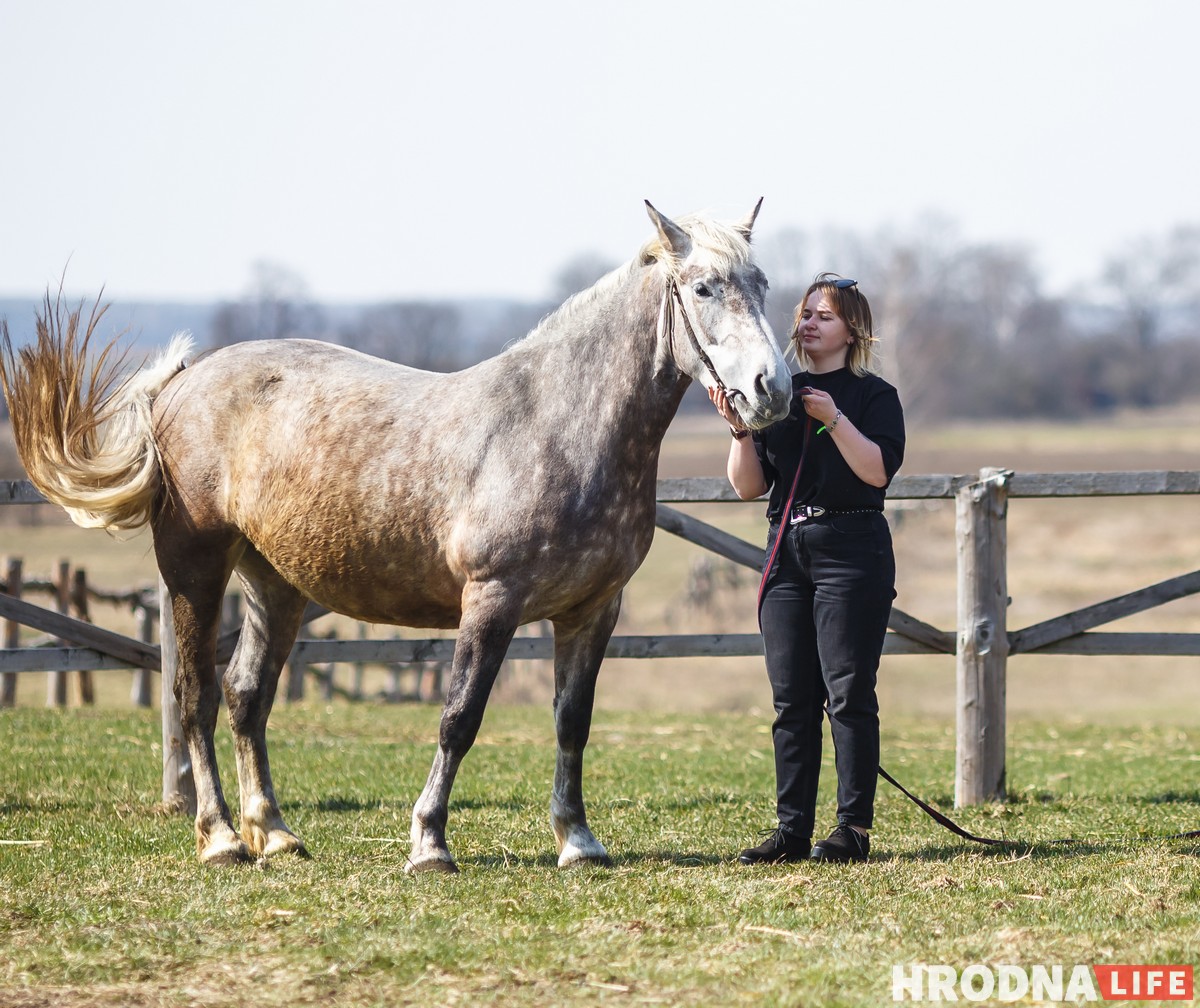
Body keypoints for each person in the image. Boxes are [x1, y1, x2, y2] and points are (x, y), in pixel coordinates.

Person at [710, 273, 905, 864]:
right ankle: (791, 832)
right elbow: (748, 487)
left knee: (848, 693)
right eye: (806, 313)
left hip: (852, 548)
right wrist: (741, 429)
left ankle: (852, 830)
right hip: (786, 551)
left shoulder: (875, 396)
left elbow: (876, 472)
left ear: (853, 330)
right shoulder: (778, 394)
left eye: (825, 315)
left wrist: (834, 419)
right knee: (791, 699)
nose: (810, 323)